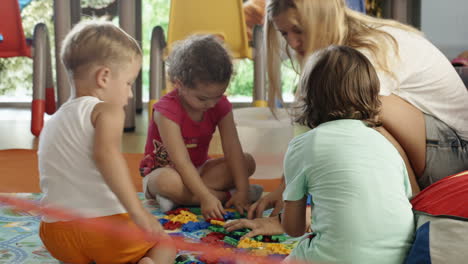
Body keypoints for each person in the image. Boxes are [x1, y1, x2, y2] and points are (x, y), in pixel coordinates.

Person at [246, 0, 468, 219]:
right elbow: (305, 122)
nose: (292, 43)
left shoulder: (365, 49)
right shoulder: (339, 47)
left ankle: (411, 209)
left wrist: (300, 214)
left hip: (455, 156)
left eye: (298, 31)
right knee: (341, 107)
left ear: (321, 20)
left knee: (351, 109)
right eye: (284, 34)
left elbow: (346, 132)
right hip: (432, 146)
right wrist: (286, 190)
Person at [231, 45, 415, 263]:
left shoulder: (304, 145)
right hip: (400, 256)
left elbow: (294, 229)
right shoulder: (387, 146)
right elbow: (403, 204)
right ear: (371, 95)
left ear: (310, 98)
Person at [38, 21, 176, 264]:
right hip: (106, 232)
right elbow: (107, 157)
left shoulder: (54, 119)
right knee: (164, 244)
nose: (130, 94)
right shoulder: (106, 111)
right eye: (128, 83)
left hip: (56, 235)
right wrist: (138, 213)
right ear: (103, 77)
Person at [139, 34, 263, 219]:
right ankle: (222, 196)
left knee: (247, 162)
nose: (212, 104)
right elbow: (181, 161)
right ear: (179, 85)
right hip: (164, 173)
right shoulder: (165, 111)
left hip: (201, 170)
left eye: (219, 95)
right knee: (167, 182)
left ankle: (179, 199)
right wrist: (205, 197)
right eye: (203, 98)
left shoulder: (219, 105)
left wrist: (243, 190)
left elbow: (232, 148)